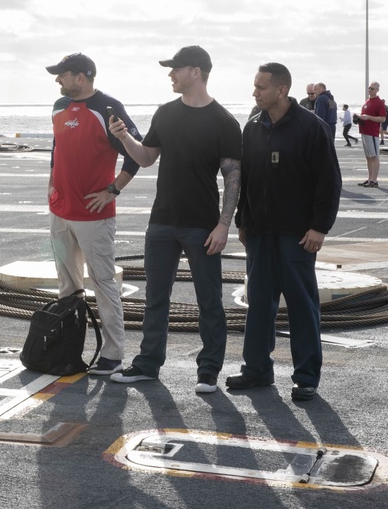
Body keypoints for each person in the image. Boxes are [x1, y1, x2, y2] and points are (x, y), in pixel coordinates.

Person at [109, 45, 242, 395]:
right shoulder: (165, 113)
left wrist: (224, 224)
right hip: (162, 221)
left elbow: (233, 177)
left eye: (176, 69)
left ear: (195, 72)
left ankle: (209, 371)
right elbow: (147, 157)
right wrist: (124, 137)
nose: (170, 74)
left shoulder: (224, 122)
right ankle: (147, 365)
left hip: (202, 224)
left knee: (209, 299)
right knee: (156, 297)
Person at [227, 62, 341, 402]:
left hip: (297, 235)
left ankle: (306, 377)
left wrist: (320, 227)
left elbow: (328, 182)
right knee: (259, 303)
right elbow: (247, 180)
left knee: (302, 306)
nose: (254, 92)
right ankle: (257, 369)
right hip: (259, 233)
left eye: (261, 87)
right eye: (254, 86)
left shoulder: (311, 128)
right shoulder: (252, 128)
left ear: (281, 89)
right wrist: (242, 222)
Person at [46, 53, 143, 376]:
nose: (58, 80)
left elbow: (136, 154)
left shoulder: (107, 108)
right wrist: (51, 186)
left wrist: (113, 190)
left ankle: (113, 354)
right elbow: (57, 149)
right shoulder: (59, 107)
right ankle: (68, 348)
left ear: (82, 77)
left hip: (94, 216)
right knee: (67, 287)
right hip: (60, 212)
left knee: (102, 283)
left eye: (63, 75)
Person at [356, 82, 387, 187]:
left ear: (377, 90)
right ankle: (370, 179)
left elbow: (383, 118)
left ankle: (374, 180)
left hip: (372, 132)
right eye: (369, 88)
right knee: (368, 157)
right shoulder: (367, 101)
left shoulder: (379, 102)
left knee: (374, 156)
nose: (370, 90)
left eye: (372, 88)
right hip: (364, 131)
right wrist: (359, 118)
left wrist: (368, 117)